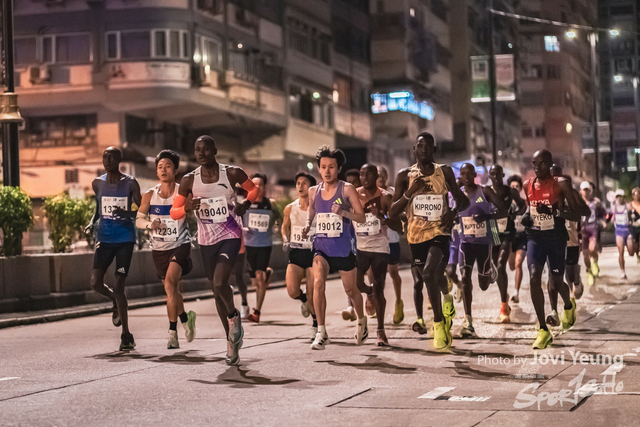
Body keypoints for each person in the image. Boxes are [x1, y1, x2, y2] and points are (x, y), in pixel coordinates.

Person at [170, 135, 258, 365]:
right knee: (216, 290)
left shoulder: (232, 173)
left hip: (230, 234)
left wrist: (245, 204)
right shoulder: (189, 180)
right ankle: (231, 340)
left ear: (215, 150)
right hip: (206, 240)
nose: (201, 153)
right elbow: (174, 212)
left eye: (206, 149)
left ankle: (234, 317)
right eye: (197, 150)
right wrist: (187, 207)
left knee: (220, 283)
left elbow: (254, 191)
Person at [390, 132, 469, 349]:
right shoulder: (404, 175)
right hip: (415, 237)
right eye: (420, 146)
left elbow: (461, 199)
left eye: (428, 146)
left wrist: (453, 213)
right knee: (436, 277)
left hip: (439, 232)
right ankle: (447, 292)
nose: (424, 149)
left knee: (427, 274)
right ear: (413, 150)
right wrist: (411, 192)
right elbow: (392, 212)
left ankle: (439, 323)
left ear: (435, 150)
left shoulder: (444, 172)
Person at [302, 146, 367, 350]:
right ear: (319, 169)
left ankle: (362, 321)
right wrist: (306, 226)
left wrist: (344, 211)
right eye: (323, 167)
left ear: (338, 168)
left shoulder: (347, 189)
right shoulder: (314, 191)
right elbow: (312, 214)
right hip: (321, 247)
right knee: (318, 283)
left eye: (331, 167)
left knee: (351, 289)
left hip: (343, 249)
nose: (327, 171)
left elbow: (362, 217)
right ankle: (321, 332)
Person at [136, 149, 196, 349]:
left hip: (180, 244)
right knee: (172, 290)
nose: (163, 170)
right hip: (159, 248)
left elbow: (191, 209)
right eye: (160, 167)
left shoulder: (183, 193)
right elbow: (138, 219)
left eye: (168, 166)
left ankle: (172, 333)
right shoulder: (149, 195)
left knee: (170, 285)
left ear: (176, 170)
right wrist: (148, 225)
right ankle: (186, 319)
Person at [522, 150, 580, 349]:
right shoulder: (527, 185)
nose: (537, 167)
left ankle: (569, 305)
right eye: (534, 163)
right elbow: (529, 209)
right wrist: (525, 217)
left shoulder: (560, 184)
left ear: (549, 163)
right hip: (535, 238)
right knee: (534, 276)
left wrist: (554, 212)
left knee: (555, 282)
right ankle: (542, 329)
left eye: (541, 163)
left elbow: (576, 214)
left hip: (556, 238)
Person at [85, 147, 142, 351]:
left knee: (119, 287)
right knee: (95, 282)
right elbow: (99, 208)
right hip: (105, 238)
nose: (107, 160)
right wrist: (92, 222)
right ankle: (115, 301)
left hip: (125, 239)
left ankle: (126, 334)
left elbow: (141, 212)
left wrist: (126, 211)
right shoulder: (97, 183)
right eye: (104, 157)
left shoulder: (130, 184)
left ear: (119, 159)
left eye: (111, 157)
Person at [457, 163, 507, 337]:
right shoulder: (457, 193)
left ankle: (489, 269)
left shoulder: (485, 191)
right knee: (464, 278)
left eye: (468, 173)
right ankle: (468, 320)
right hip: (465, 243)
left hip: (484, 244)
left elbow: (503, 211)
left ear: (474, 174)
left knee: (483, 285)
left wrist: (487, 217)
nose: (465, 176)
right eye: (462, 173)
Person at [355, 164, 401, 346]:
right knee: (357, 283)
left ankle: (381, 331)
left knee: (380, 287)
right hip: (360, 247)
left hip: (380, 248)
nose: (364, 177)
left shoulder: (385, 197)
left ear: (376, 176)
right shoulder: (354, 195)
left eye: (369, 174)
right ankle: (369, 293)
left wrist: (383, 218)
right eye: (361, 174)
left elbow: (399, 226)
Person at [547, 166, 590, 324]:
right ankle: (555, 311)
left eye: (555, 176)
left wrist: (570, 209)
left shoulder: (571, 192)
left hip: (570, 239)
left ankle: (577, 280)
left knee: (570, 274)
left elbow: (586, 212)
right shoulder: (544, 192)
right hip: (551, 239)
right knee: (554, 276)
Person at [282, 172, 317, 340]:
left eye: (305, 183)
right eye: (298, 183)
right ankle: (302, 299)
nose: (300, 186)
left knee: (313, 293)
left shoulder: (317, 207)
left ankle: (316, 325)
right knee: (292, 290)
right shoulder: (290, 207)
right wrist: (284, 238)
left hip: (313, 253)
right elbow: (284, 227)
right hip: (296, 252)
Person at [489, 165, 526, 323]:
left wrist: (515, 213)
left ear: (502, 175)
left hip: (507, 233)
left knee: (500, 264)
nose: (496, 177)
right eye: (493, 174)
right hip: (493, 233)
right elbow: (476, 205)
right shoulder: (485, 192)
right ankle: (504, 297)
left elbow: (523, 205)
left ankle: (504, 307)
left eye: (498, 174)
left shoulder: (510, 191)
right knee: (495, 271)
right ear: (490, 176)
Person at [243, 173, 280, 323]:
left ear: (265, 187)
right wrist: (242, 229)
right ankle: (268, 273)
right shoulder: (245, 203)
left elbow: (280, 219)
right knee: (254, 281)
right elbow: (236, 221)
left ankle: (257, 311)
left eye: (260, 185)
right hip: (248, 245)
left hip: (264, 245)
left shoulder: (271, 204)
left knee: (259, 277)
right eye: (254, 184)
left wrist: (277, 227)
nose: (257, 187)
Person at [377, 166, 405, 325]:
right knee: (375, 274)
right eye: (378, 175)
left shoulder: (393, 192)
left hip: (392, 238)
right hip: (375, 238)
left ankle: (398, 302)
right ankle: (375, 301)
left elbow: (400, 212)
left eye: (383, 175)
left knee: (393, 272)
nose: (381, 177)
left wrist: (390, 217)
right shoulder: (370, 193)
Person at [579, 181, 606, 285]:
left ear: (590, 191)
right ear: (581, 191)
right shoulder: (578, 202)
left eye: (587, 190)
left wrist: (603, 221)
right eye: (584, 190)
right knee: (585, 255)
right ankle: (589, 271)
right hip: (583, 231)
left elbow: (603, 213)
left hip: (593, 228)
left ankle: (595, 262)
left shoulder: (595, 202)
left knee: (592, 248)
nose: (586, 192)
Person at [507, 175, 526, 304]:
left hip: (522, 238)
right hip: (510, 238)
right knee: (512, 266)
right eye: (512, 186)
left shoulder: (525, 203)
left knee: (519, 263)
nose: (514, 188)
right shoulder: (505, 204)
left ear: (520, 189)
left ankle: (516, 292)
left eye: (517, 186)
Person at [612, 189, 632, 280]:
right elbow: (612, 218)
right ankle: (623, 272)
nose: (619, 198)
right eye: (617, 196)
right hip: (619, 231)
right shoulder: (614, 207)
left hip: (628, 230)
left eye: (621, 196)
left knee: (631, 251)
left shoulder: (627, 206)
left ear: (623, 197)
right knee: (621, 252)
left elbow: (634, 214)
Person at [629, 188, 640, 258]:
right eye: (635, 194)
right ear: (633, 196)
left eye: (638, 194)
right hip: (634, 226)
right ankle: (637, 254)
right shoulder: (630, 204)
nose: (637, 196)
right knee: (635, 243)